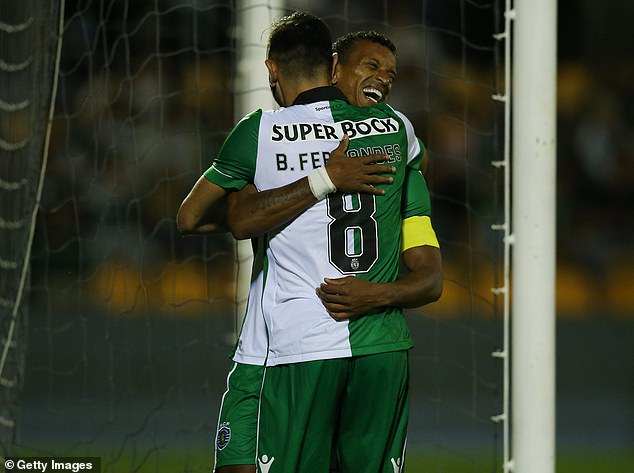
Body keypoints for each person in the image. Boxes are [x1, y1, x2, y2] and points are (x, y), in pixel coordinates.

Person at [178, 15, 442, 473]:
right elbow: (430, 271)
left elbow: (195, 217)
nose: (382, 80)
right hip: (381, 347)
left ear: (271, 69)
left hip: (293, 345)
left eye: (389, 73)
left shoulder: (262, 130)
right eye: (373, 67)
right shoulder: (397, 130)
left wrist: (285, 201)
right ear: (334, 65)